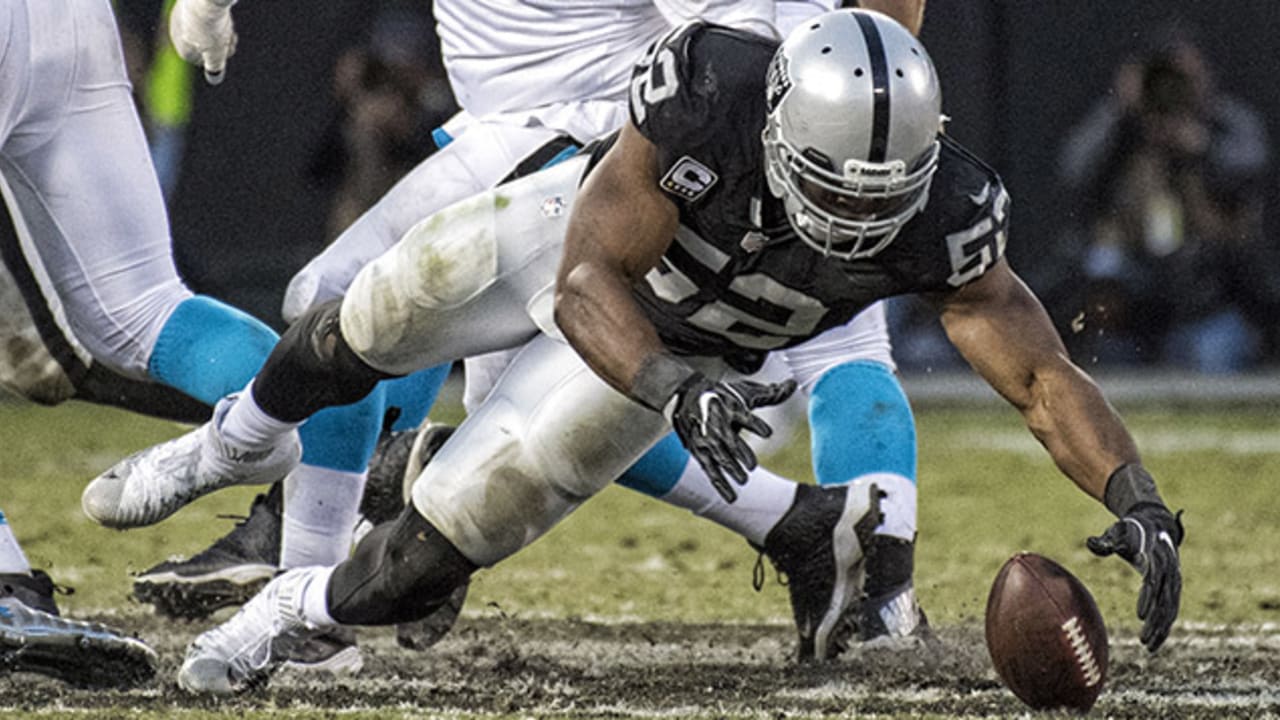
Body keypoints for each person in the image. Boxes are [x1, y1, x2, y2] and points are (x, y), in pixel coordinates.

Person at [89, 9, 1182, 693]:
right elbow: (581, 282)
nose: (855, 219)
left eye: (879, 196)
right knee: (355, 321)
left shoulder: (945, 215)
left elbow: (1042, 375)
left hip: (672, 348)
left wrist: (1132, 494)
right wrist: (671, 386)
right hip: (569, 251)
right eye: (835, 185)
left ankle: (297, 611)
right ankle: (238, 438)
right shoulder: (708, 88)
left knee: (430, 555)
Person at [1057, 29, 1272, 371]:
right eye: (1161, 78)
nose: (1169, 92)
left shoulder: (1226, 125)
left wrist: (1200, 148)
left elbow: (1251, 171)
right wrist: (1119, 110)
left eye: (1181, 79)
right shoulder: (1124, 131)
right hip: (1134, 295)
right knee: (1103, 276)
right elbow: (1074, 173)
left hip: (1208, 298)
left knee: (1213, 354)